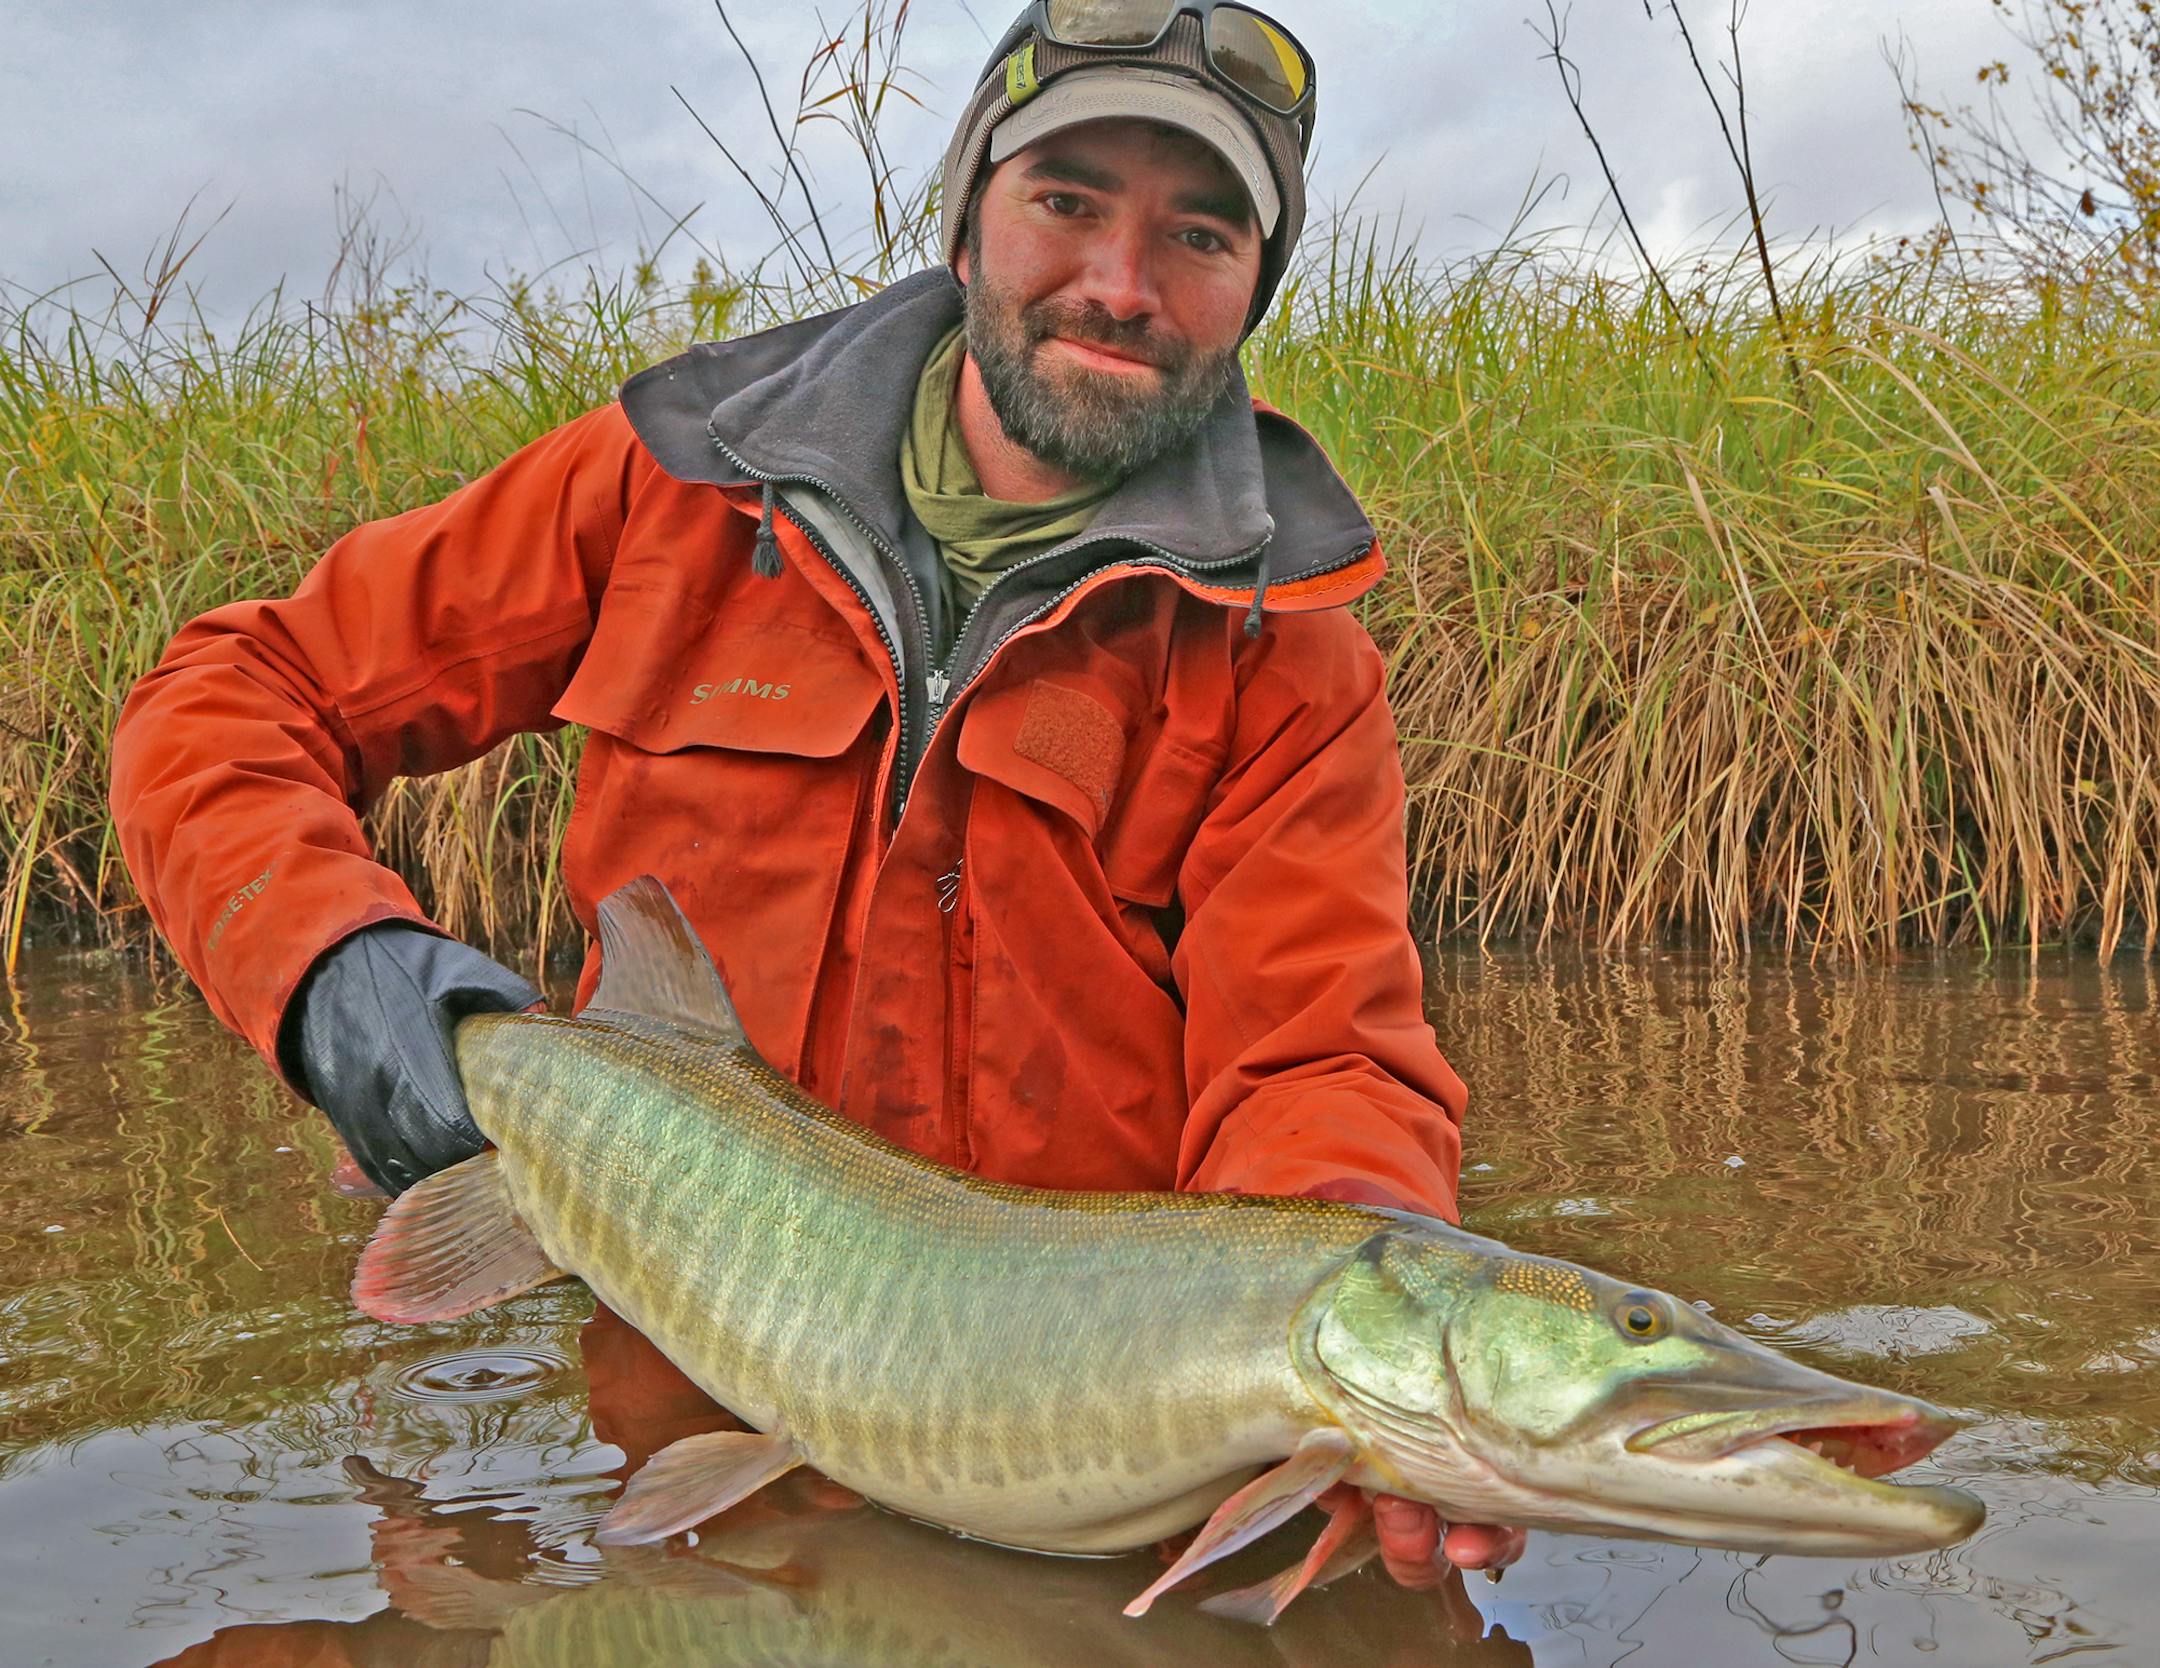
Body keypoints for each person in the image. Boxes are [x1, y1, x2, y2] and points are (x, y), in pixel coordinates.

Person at [110, 0, 1519, 1585]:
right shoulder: (665, 486)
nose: (1122, 287)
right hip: (695, 1479)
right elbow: (230, 696)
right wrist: (328, 966)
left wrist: (1374, 1382)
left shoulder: (1287, 655)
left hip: (1093, 1505)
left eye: (1198, 233)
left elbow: (1319, 1062)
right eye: (1067, 202)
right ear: (968, 206)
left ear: (1256, 283)